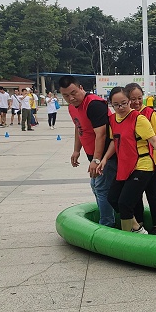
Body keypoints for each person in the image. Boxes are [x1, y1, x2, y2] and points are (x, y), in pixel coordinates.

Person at [100, 86, 156, 234]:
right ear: (111, 104)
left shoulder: (140, 118)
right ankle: (136, 226)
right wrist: (103, 159)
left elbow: (155, 140)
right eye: (116, 104)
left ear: (128, 101)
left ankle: (130, 236)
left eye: (124, 103)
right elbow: (114, 141)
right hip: (125, 166)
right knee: (113, 198)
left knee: (131, 201)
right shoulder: (113, 119)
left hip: (143, 165)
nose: (121, 107)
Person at [59, 75, 117, 228]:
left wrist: (96, 160)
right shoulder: (72, 107)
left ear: (81, 88)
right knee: (96, 186)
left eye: (73, 93)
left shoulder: (94, 105)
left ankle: (107, 224)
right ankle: (109, 219)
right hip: (93, 155)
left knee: (101, 187)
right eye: (65, 95)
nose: (71, 98)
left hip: (108, 155)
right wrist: (76, 150)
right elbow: (79, 127)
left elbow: (102, 134)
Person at [124, 83, 156, 235]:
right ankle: (139, 223)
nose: (136, 102)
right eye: (132, 99)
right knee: (136, 196)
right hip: (133, 164)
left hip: (153, 162)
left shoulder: (150, 114)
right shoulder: (125, 114)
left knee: (152, 194)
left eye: (139, 98)